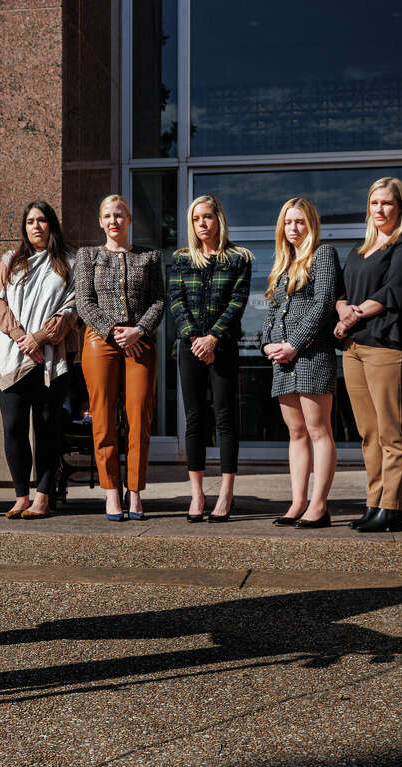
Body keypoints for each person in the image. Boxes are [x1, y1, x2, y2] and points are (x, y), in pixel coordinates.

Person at [333, 177, 402, 533]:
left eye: (387, 203)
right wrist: (343, 311)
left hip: (389, 346)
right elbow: (341, 291)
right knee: (369, 433)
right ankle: (374, 504)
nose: (379, 210)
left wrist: (354, 314)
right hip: (355, 348)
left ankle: (393, 507)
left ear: (400, 207)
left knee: (391, 432)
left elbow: (396, 290)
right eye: (374, 203)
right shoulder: (359, 251)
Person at [74, 195, 165, 521]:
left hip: (140, 343)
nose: (114, 221)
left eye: (119, 215)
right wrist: (114, 330)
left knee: (140, 415)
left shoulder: (150, 256)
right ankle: (112, 491)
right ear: (101, 222)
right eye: (108, 216)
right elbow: (84, 303)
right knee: (103, 417)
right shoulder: (88, 256)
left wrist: (138, 330)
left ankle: (135, 492)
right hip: (101, 341)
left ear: (129, 220)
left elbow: (158, 301)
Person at [0, 201, 78, 519]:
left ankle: (43, 495)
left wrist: (39, 338)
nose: (36, 226)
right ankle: (21, 495)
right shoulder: (10, 261)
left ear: (52, 225)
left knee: (47, 427)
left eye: (42, 220)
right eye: (30, 221)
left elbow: (71, 308)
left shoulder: (69, 262)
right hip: (12, 355)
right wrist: (20, 338)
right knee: (13, 427)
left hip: (51, 357)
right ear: (24, 227)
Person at [167, 194, 251, 523]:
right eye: (196, 219)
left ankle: (226, 493)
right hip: (190, 349)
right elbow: (176, 300)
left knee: (225, 419)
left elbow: (238, 301)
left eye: (208, 217)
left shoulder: (238, 258)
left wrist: (213, 337)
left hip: (224, 346)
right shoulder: (182, 259)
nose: (202, 223)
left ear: (219, 219)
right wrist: (195, 338)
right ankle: (197, 494)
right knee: (194, 419)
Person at [262, 198, 339, 529]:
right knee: (295, 433)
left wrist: (293, 344)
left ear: (311, 225)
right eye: (288, 223)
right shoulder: (282, 263)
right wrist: (268, 342)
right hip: (283, 359)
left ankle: (319, 505)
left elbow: (323, 304)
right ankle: (298, 502)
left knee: (318, 430)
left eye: (300, 222)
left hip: (311, 355)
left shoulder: (323, 255)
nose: (293, 228)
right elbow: (272, 310)